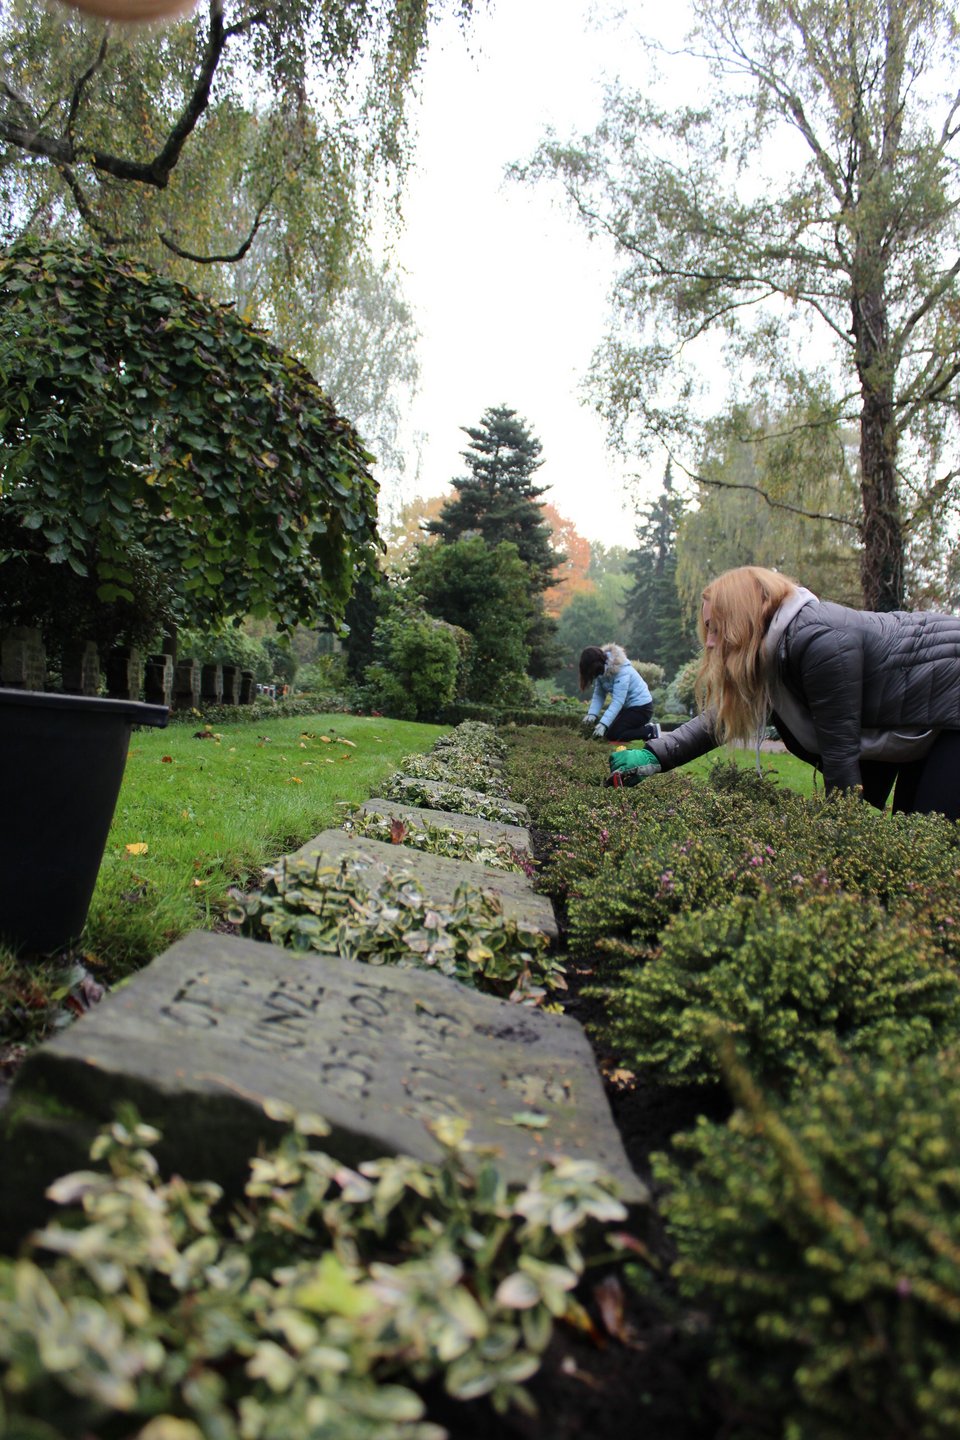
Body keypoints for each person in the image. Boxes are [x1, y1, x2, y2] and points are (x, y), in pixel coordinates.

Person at [613, 565, 960, 819]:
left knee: (933, 834)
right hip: (930, 720)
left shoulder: (819, 639)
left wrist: (842, 840)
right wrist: (656, 756)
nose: (711, 643)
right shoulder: (775, 651)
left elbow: (840, 756)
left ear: (742, 617)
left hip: (951, 704)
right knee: (915, 830)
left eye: (716, 628)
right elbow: (724, 716)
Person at [579, 644, 659, 742]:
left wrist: (603, 724)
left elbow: (618, 701)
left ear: (595, 666)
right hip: (627, 708)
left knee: (615, 734)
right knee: (608, 734)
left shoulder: (622, 671)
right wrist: (592, 714)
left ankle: (650, 731)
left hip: (642, 708)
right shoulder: (601, 671)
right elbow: (599, 695)